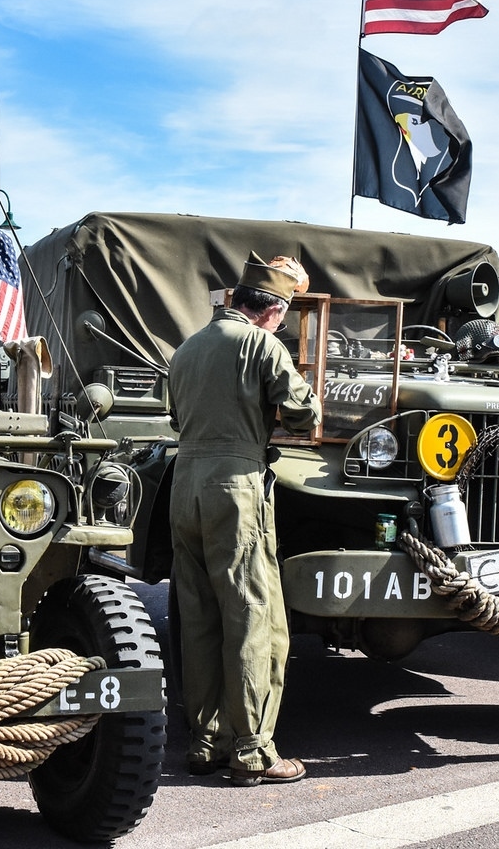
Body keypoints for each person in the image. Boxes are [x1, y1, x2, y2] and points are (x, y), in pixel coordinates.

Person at [167, 251, 320, 786]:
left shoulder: (185, 350)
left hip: (184, 485)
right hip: (237, 488)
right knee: (254, 616)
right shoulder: (262, 344)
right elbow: (305, 412)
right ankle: (254, 749)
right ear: (274, 310)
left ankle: (206, 740)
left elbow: (176, 418)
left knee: (199, 616)